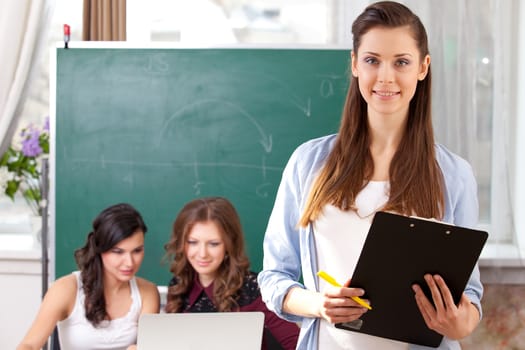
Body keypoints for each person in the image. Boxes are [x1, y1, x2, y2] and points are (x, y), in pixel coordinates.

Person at [257, 1, 483, 349]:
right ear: (354, 64)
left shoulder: (453, 175)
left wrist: (457, 323)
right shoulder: (308, 163)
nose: (385, 77)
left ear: (423, 67)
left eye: (402, 62)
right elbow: (274, 277)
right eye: (372, 60)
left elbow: (468, 297)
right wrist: (320, 304)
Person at [17, 203, 160, 350]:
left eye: (137, 251)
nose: (129, 262)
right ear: (100, 249)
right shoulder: (65, 289)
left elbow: (148, 346)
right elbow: (29, 345)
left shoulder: (147, 293)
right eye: (118, 252)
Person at [164, 196, 299, 350]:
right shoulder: (178, 286)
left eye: (213, 244)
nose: (202, 254)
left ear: (229, 244)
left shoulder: (255, 289)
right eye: (192, 242)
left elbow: (298, 345)